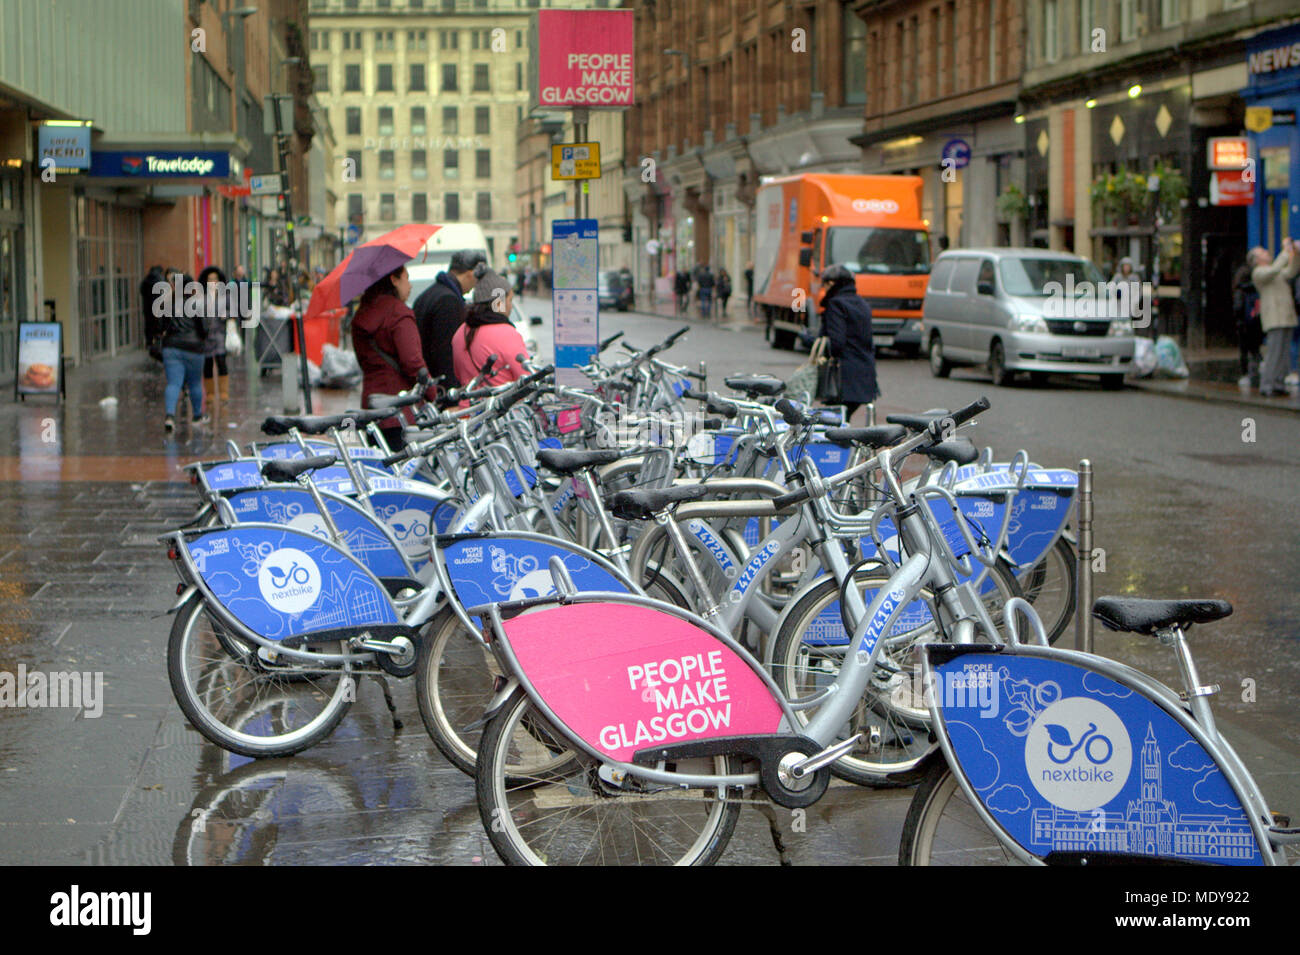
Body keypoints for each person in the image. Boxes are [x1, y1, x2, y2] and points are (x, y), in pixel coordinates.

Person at [351, 265, 427, 449]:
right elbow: (413, 362)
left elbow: (362, 361)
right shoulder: (399, 314)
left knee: (380, 469)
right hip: (401, 407)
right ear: (394, 280)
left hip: (372, 405)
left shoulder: (362, 314)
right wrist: (431, 391)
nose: (409, 286)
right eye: (406, 278)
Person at [411, 249, 484, 391]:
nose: (476, 285)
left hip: (428, 380)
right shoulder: (448, 300)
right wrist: (451, 393)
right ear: (470, 274)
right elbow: (446, 352)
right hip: (440, 387)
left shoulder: (430, 293)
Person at [452, 264, 529, 387]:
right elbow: (525, 375)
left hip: (469, 405)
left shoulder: (460, 332)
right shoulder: (507, 334)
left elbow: (458, 374)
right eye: (509, 300)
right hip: (500, 404)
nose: (510, 306)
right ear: (499, 303)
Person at [820, 264, 879, 423]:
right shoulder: (862, 304)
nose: (823, 288)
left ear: (832, 283)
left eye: (824, 284)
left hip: (843, 376)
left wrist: (812, 341)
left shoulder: (836, 304)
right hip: (865, 373)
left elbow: (837, 344)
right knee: (843, 421)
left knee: (835, 424)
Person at [1250, 238, 1299, 397]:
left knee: (1284, 353)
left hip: (1285, 316)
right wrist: (1286, 251)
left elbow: (1291, 271)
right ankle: (1267, 384)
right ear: (1257, 260)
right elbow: (1276, 269)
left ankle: (1279, 382)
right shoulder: (1259, 273)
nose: (1267, 253)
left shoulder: (1274, 271)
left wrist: (1295, 254)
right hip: (1274, 318)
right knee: (1274, 352)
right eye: (1263, 252)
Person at [160, 271, 207, 432]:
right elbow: (204, 328)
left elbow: (162, 325)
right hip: (194, 349)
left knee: (173, 383)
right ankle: (197, 415)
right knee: (195, 383)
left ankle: (170, 416)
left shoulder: (168, 303)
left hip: (172, 347)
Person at [197, 266, 230, 412]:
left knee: (221, 361)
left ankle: (223, 393)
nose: (213, 282)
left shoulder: (225, 296)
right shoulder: (202, 297)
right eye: (210, 280)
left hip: (220, 334)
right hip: (206, 336)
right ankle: (210, 394)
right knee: (208, 364)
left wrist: (227, 314)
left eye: (215, 279)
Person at [1232, 260, 1262, 388]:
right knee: (1255, 350)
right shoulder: (1255, 289)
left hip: (1243, 325)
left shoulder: (1240, 291)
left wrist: (1238, 320)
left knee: (1244, 351)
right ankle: (1258, 370)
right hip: (1255, 323)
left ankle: (1246, 375)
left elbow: (1238, 308)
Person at [140, 265, 168, 346]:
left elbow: (142, 291)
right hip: (157, 305)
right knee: (158, 324)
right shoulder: (160, 279)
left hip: (147, 306)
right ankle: (157, 342)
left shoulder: (146, 279)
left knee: (148, 324)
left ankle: (149, 342)